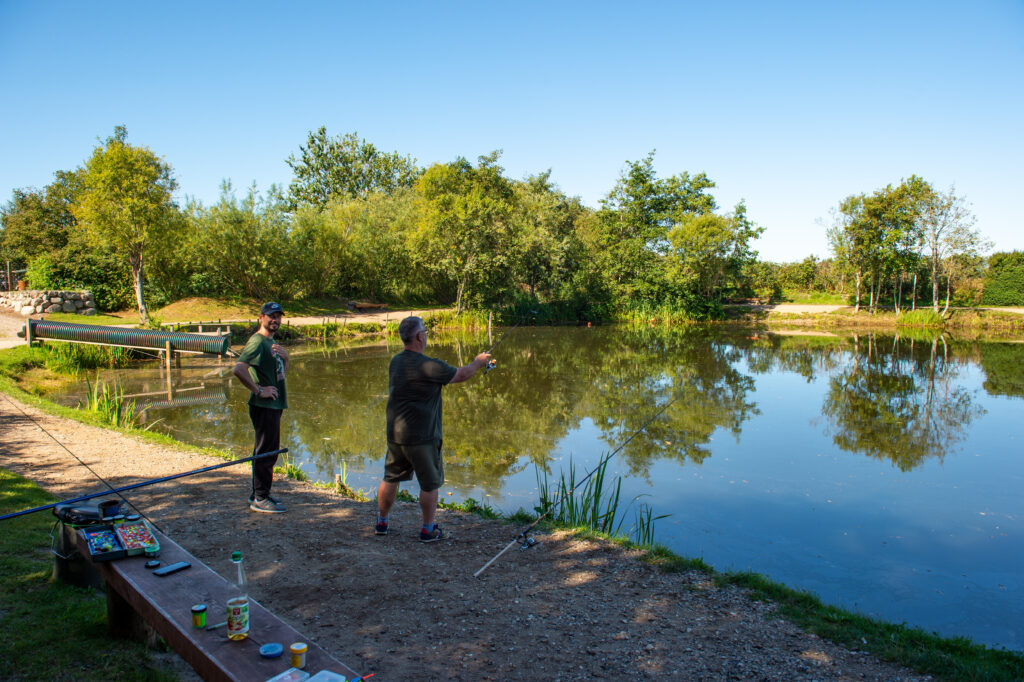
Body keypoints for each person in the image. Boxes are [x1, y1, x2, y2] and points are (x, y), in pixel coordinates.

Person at [376, 316, 491, 542]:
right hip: (423, 437)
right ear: (419, 337)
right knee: (429, 484)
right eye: (425, 332)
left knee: (390, 478)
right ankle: (428, 529)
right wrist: (478, 362)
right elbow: (462, 374)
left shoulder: (396, 362)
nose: (426, 335)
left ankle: (382, 522)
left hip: (396, 435)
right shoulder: (430, 366)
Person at [232, 301, 290, 513]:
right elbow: (239, 369)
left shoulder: (270, 343)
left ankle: (259, 492)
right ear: (261, 318)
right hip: (264, 405)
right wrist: (259, 390)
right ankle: (260, 498)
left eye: (278, 316)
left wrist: (286, 358)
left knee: (268, 451)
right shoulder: (257, 341)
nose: (275, 320)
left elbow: (280, 375)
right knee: (266, 452)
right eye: (271, 316)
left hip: (274, 404)